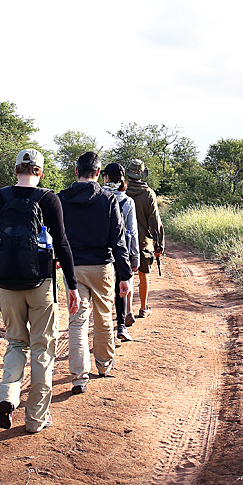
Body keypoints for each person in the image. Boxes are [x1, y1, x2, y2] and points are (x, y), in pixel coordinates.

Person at [0, 149, 79, 434]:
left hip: (6, 283)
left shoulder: (0, 197)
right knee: (42, 348)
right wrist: (73, 286)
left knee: (16, 343)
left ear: (16, 169)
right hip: (40, 283)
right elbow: (62, 243)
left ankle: (6, 396)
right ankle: (36, 418)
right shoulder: (49, 199)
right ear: (39, 171)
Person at [58, 152, 132, 393]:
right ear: (98, 173)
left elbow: (56, 237)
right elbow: (118, 241)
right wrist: (125, 275)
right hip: (102, 267)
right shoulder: (109, 200)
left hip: (73, 268)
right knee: (103, 317)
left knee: (77, 321)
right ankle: (103, 364)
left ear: (76, 171)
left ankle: (79, 376)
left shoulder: (62, 199)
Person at [102, 163, 139, 342]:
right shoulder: (127, 201)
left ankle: (105, 326)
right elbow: (132, 230)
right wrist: (135, 256)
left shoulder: (100, 196)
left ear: (106, 178)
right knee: (121, 287)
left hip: (102, 250)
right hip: (122, 249)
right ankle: (121, 326)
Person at [125, 158, 164, 319]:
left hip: (123, 240)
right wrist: (159, 244)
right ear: (142, 174)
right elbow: (155, 221)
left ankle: (127, 311)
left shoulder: (123, 190)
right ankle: (142, 308)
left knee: (125, 276)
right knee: (143, 274)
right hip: (143, 241)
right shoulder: (148, 193)